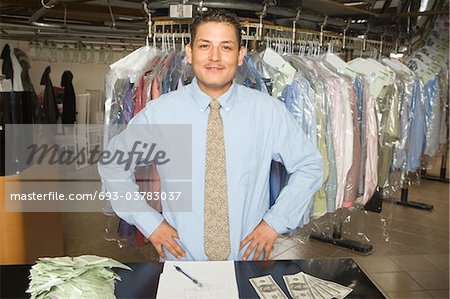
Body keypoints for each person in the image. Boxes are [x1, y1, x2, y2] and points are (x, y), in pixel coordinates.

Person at [98, 9, 323, 261]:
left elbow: (309, 165)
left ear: (240, 56)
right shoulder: (161, 112)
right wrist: (149, 222)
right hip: (181, 261)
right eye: (205, 45)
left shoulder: (268, 112)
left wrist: (275, 222)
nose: (214, 57)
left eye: (226, 47)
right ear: (189, 52)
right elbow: (113, 164)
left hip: (248, 262)